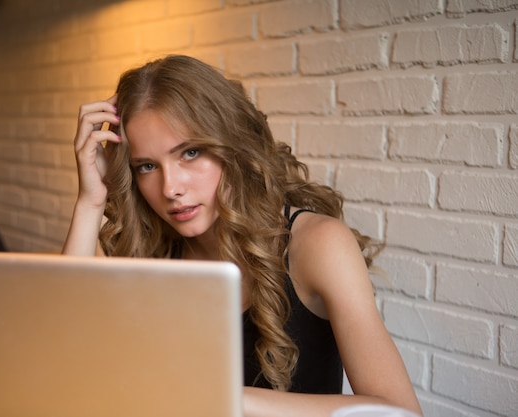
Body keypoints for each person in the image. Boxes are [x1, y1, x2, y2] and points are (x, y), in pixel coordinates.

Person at [62, 54, 422, 417]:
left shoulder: (318, 244)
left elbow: (399, 411)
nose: (170, 188)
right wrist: (90, 202)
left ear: (232, 147)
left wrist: (222, 398)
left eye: (190, 152)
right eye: (148, 166)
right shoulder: (157, 250)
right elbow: (62, 364)